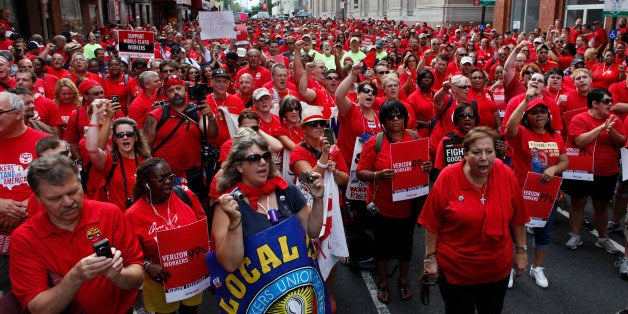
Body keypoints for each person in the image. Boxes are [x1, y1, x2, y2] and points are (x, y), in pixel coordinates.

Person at [9, 154, 144, 313]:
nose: (68, 202)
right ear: (37, 198)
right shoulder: (24, 239)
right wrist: (76, 276)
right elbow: (39, 309)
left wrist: (118, 275)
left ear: (81, 183)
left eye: (73, 192)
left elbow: (138, 273)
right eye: (55, 198)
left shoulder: (110, 214)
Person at [419, 127, 528, 313]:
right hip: (457, 271)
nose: (484, 158)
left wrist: (521, 251)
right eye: (477, 152)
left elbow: (518, 218)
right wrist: (430, 258)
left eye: (489, 151)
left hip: (496, 269)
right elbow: (431, 223)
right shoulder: (448, 177)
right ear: (465, 153)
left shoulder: (506, 174)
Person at [211, 132, 325, 290]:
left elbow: (312, 231)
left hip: (294, 287)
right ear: (239, 166)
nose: (263, 162)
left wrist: (318, 200)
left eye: (266, 156)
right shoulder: (227, 206)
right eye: (254, 158)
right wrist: (235, 222)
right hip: (259, 297)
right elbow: (230, 264)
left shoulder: (285, 189)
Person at [356, 100, 432, 303]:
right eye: (391, 116)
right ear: (384, 121)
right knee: (382, 248)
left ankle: (404, 279)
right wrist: (378, 175)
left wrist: (426, 168)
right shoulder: (375, 142)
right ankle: (382, 282)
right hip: (382, 207)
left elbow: (423, 167)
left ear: (406, 119)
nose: (396, 119)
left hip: (408, 207)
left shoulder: (414, 137)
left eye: (400, 115)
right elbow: (360, 173)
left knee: (405, 246)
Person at [125, 158, 206, 314]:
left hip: (191, 276)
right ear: (146, 183)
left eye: (170, 176)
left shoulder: (185, 196)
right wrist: (148, 266)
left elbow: (202, 227)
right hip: (160, 283)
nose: (169, 181)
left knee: (190, 312)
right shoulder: (132, 215)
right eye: (162, 178)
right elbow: (129, 253)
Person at [504, 96, 569, 288]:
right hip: (521, 192)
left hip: (546, 195)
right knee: (513, 232)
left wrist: (554, 169)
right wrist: (525, 102)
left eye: (542, 111)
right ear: (527, 116)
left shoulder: (555, 136)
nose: (539, 115)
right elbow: (509, 129)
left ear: (548, 115)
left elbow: (565, 160)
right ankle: (509, 267)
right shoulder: (522, 133)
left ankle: (537, 267)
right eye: (534, 112)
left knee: (543, 233)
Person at [563, 88, 625, 255]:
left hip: (607, 171)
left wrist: (611, 130)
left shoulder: (614, 119)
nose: (610, 104)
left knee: (601, 206)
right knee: (578, 202)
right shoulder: (579, 119)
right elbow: (580, 140)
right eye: (606, 101)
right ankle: (575, 235)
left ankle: (603, 238)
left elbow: (621, 142)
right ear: (594, 103)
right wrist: (601, 128)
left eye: (611, 100)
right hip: (582, 171)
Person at [0, 92, 49, 294]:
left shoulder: (44, 143)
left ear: (18, 114)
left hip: (38, 239)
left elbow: (61, 182)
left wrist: (26, 207)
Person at [143, 75, 218, 200]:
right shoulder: (155, 116)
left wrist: (211, 117)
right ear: (166, 94)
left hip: (194, 173)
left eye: (179, 88)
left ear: (185, 90)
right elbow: (145, 146)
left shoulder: (197, 112)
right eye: (171, 90)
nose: (176, 93)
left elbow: (212, 135)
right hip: (166, 176)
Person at [86, 97, 151, 209]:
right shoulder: (110, 161)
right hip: (119, 218)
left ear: (136, 137)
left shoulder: (147, 160)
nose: (125, 137)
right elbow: (93, 149)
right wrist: (95, 114)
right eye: (120, 135)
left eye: (129, 134)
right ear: (115, 139)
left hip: (142, 217)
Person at [434, 103, 479, 175]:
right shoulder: (447, 141)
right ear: (456, 120)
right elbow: (440, 171)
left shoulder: (482, 139)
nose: (467, 118)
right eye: (463, 116)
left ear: (476, 119)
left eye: (471, 115)